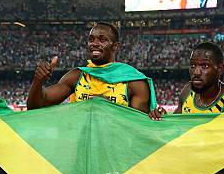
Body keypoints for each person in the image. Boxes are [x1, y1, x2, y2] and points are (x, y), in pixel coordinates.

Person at [26, 22, 155, 113]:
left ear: (115, 46)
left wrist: (108, 107)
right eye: (91, 39)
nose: (95, 44)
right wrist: (38, 81)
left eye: (102, 40)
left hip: (115, 148)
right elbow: (35, 106)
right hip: (80, 147)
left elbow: (139, 126)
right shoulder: (77, 76)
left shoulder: (134, 81)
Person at [149, 42, 224, 120]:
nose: (196, 72)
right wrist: (164, 118)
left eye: (204, 66)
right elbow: (176, 125)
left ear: (220, 69)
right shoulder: (188, 91)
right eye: (192, 65)